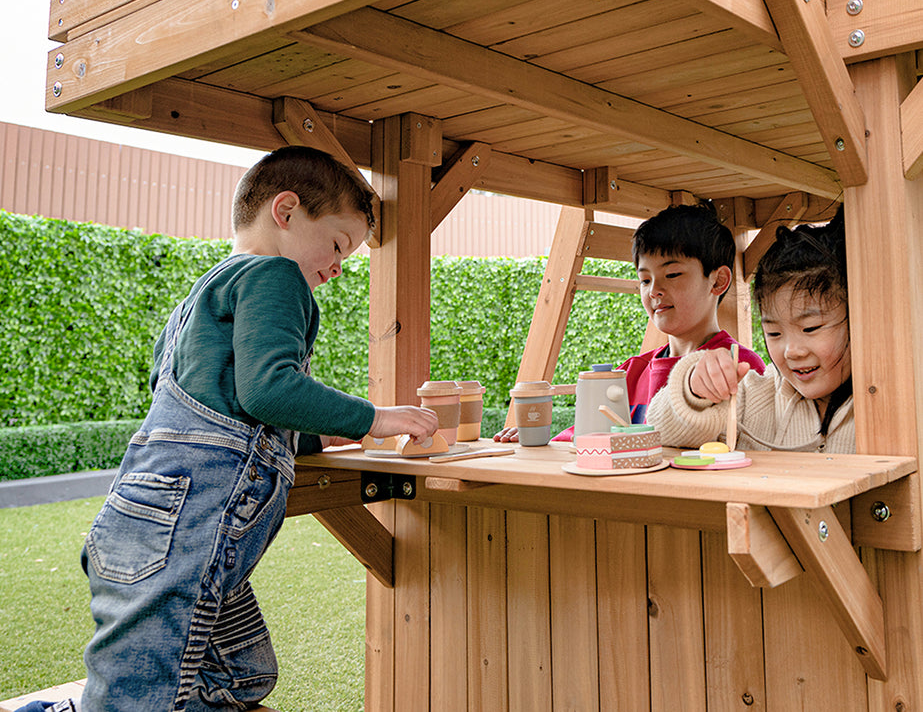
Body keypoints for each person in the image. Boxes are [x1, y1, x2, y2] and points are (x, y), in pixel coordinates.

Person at [27, 146, 438, 712]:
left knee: (241, 676)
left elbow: (218, 406)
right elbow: (269, 389)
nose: (340, 267)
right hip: (185, 528)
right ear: (286, 210)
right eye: (340, 244)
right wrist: (376, 418)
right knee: (140, 699)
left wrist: (316, 436)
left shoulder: (198, 298)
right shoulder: (275, 274)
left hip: (148, 518)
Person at [495, 202, 764, 443]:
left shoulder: (741, 368)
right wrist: (546, 442)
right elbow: (585, 440)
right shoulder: (629, 373)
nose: (654, 290)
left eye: (672, 274)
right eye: (645, 280)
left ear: (718, 281)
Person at [647, 208, 852, 453]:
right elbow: (658, 431)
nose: (792, 351)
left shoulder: (890, 399)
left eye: (810, 328)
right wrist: (694, 390)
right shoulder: (753, 397)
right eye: (774, 333)